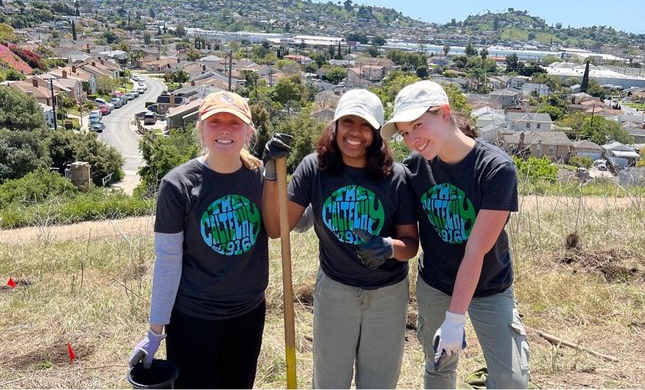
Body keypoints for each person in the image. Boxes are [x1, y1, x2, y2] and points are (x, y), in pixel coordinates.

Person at [261, 89, 419, 389]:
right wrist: (271, 175)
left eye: (365, 126)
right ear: (335, 126)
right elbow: (277, 228)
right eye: (348, 122)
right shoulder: (314, 168)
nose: (355, 132)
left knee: (379, 382)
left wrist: (388, 248)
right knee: (330, 381)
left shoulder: (395, 177)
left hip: (388, 295)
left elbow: (411, 244)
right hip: (335, 291)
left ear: (376, 133)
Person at [381, 80, 530, 389]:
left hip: (490, 285)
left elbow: (476, 250)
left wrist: (455, 319)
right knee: (438, 368)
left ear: (445, 113)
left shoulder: (495, 169)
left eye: (419, 125)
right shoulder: (413, 170)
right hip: (436, 284)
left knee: (511, 379)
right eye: (405, 133)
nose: (413, 140)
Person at [129, 91, 268, 389]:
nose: (224, 129)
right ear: (201, 128)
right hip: (193, 319)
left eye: (235, 122)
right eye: (215, 121)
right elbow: (167, 261)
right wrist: (155, 333)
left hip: (248, 314)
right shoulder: (178, 185)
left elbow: (292, 219)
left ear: (248, 131)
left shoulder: (262, 179)